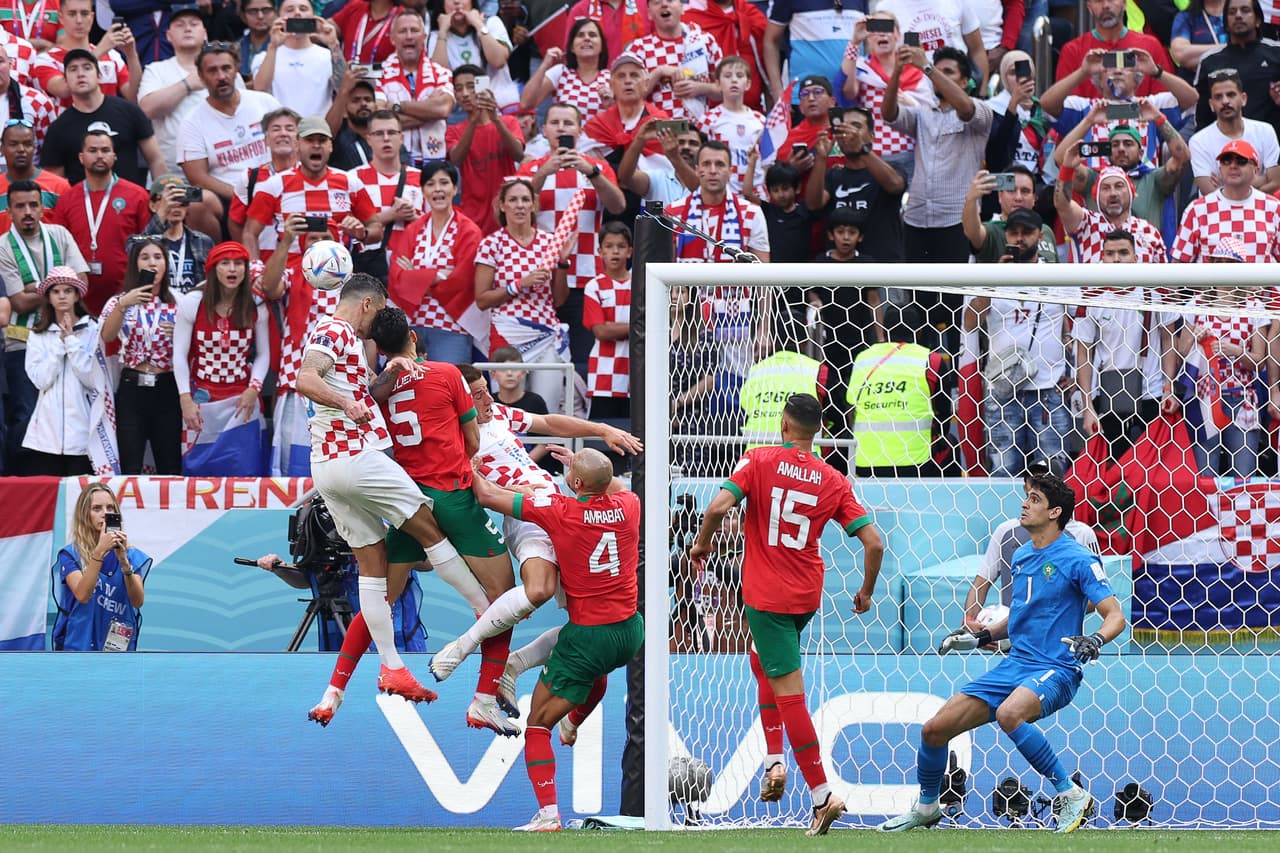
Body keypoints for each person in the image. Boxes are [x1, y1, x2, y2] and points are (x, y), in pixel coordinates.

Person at [879, 473, 1125, 835]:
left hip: (1056, 667)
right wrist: (979, 638)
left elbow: (1114, 614)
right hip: (1015, 665)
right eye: (1027, 497)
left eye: (1035, 499)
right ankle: (928, 807)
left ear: (1055, 512)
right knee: (934, 730)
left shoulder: (1078, 558)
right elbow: (1019, 619)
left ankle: (1070, 793)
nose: (1025, 504)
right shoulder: (1023, 556)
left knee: (1010, 713)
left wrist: (1096, 640)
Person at [306, 306, 510, 732]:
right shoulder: (447, 373)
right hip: (452, 497)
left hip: (405, 498)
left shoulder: (374, 390)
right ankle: (485, 696)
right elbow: (472, 440)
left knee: (379, 599)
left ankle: (333, 690)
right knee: (501, 602)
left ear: (376, 348)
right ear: (413, 337)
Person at [690, 393, 883, 835]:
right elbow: (874, 542)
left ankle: (821, 795)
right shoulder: (833, 478)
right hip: (805, 594)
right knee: (765, 661)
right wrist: (867, 592)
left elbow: (718, 506)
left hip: (767, 596)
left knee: (789, 691)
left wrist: (702, 544)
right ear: (818, 431)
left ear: (783, 425)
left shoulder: (757, 460)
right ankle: (774, 760)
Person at [293, 272, 476, 706]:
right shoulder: (334, 329)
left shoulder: (347, 344)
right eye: (376, 315)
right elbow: (306, 378)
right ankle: (485, 612)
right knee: (429, 530)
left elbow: (356, 391)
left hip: (327, 467)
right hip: (356, 457)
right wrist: (348, 403)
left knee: (373, 563)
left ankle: (392, 667)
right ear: (368, 304)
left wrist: (387, 374)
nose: (374, 330)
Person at [426, 364, 643, 693]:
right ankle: (461, 648)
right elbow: (475, 491)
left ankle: (515, 668)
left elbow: (548, 422)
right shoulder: (455, 436)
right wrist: (516, 493)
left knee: (590, 623)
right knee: (538, 590)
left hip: (556, 505)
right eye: (477, 395)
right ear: (458, 401)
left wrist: (600, 429)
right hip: (528, 515)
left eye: (486, 389)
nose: (487, 398)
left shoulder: (497, 413)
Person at [469, 447, 643, 832]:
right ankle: (574, 721)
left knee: (536, 726)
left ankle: (548, 815)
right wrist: (583, 469)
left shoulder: (562, 511)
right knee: (593, 673)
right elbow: (606, 481)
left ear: (576, 483)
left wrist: (469, 467)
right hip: (630, 631)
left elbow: (485, 495)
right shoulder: (630, 504)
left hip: (588, 637)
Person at [517, 101, 624, 374]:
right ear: (544, 130)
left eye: (567, 123)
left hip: (588, 278)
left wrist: (591, 173)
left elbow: (618, 206)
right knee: (539, 365)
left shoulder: (596, 167)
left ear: (579, 130)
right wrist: (543, 173)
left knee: (582, 362)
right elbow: (512, 211)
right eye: (555, 123)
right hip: (539, 278)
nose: (561, 128)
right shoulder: (529, 170)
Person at [1, 178, 87, 472]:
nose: (27, 211)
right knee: (25, 415)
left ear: (42, 208)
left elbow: (83, 282)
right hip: (21, 340)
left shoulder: (60, 235)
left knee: (70, 411)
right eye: (20, 206)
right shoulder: (3, 246)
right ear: (9, 211)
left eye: (33, 205)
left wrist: (33, 287)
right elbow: (18, 302)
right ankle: (22, 484)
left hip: (66, 337)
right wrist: (59, 287)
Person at [1076, 230, 1180, 462]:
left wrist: (1169, 387)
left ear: (1135, 257)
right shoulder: (1090, 298)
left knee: (1152, 471)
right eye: (1110, 253)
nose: (1116, 259)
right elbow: (1083, 352)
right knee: (1114, 471)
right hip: (1109, 395)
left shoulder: (1155, 293)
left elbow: (1168, 339)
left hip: (1152, 394)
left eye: (1123, 253)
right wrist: (1087, 407)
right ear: (1102, 258)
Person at [474, 177, 572, 416]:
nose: (519, 205)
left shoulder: (550, 242)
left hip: (547, 333)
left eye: (525, 200)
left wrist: (562, 264)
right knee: (504, 412)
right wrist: (519, 284)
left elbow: (559, 299)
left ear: (534, 205)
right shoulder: (491, 244)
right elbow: (482, 299)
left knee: (547, 412)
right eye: (513, 200)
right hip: (508, 335)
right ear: (502, 205)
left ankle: (544, 454)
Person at [962, 463, 1101, 629]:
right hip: (1010, 639)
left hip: (1058, 638)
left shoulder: (1081, 534)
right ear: (1025, 487)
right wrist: (969, 623)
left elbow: (1098, 597)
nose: (1038, 483)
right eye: (1032, 479)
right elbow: (980, 585)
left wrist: (1051, 613)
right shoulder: (1006, 532)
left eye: (1044, 478)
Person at [173, 242, 270, 476]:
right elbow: (179, 355)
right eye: (225, 263)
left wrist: (253, 389)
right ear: (213, 269)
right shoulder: (193, 302)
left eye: (238, 264)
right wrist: (185, 398)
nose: (232, 269)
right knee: (198, 470)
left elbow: (264, 354)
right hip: (201, 399)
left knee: (245, 469)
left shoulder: (255, 303)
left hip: (241, 399)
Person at [1180, 239, 1269, 479]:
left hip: (1243, 398)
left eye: (1230, 263)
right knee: (1205, 477)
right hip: (1203, 399)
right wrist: (1193, 338)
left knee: (1243, 477)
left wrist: (1236, 351)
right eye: (1219, 262)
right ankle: (1207, 518)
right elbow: (1180, 352)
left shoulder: (1254, 307)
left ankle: (1241, 518)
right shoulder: (1196, 304)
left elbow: (1260, 361)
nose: (1224, 267)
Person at [968, 280, 1077, 478]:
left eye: (1024, 244)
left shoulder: (1054, 277)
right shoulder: (992, 279)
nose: (1019, 245)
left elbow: (1082, 321)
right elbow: (969, 325)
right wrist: (993, 282)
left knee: (1052, 476)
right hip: (1002, 395)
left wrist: (1075, 372)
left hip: (1049, 391)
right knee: (1003, 472)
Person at [242, 115, 380, 261]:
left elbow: (376, 228)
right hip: (291, 277)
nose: (316, 145)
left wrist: (362, 233)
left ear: (331, 146)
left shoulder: (350, 183)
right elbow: (249, 233)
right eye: (309, 140)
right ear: (296, 145)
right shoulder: (274, 185)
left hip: (337, 275)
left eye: (322, 140)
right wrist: (255, 270)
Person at [387, 160, 483, 365]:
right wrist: (439, 275)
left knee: (450, 391)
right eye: (430, 184)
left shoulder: (469, 231)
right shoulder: (414, 229)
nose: (437, 189)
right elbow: (397, 277)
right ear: (422, 190)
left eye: (444, 183)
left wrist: (416, 276)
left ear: (455, 188)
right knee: (412, 392)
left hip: (452, 327)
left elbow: (463, 281)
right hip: (412, 326)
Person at [98, 236, 180, 474]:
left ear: (166, 264)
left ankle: (170, 510)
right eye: (145, 257)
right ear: (135, 264)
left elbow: (192, 346)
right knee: (130, 462)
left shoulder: (178, 301)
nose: (152, 263)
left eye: (158, 257)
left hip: (167, 385)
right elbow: (107, 336)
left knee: (170, 462)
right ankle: (126, 511)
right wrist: (124, 304)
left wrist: (180, 333)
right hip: (132, 385)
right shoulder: (119, 300)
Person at [49, 127, 152, 315]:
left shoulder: (137, 196)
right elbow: (58, 248)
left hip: (126, 296)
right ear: (81, 157)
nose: (99, 156)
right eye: (92, 150)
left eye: (105, 150)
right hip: (79, 301)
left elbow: (148, 246)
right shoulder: (67, 199)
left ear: (114, 156)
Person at [23, 265, 113, 475]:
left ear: (76, 296)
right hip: (45, 437)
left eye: (67, 291)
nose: (62, 296)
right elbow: (41, 380)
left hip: (84, 433)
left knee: (80, 495)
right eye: (56, 291)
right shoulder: (37, 335)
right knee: (49, 496)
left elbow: (91, 378)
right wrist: (58, 345)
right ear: (49, 297)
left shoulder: (92, 329)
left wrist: (71, 341)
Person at [177, 41, 282, 208]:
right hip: (228, 198)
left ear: (236, 69)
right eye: (212, 71)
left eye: (226, 68)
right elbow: (198, 178)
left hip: (275, 188)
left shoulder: (264, 102)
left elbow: (293, 145)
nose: (221, 76)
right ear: (201, 76)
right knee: (196, 201)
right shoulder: (191, 122)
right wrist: (244, 196)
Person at [39, 50, 165, 187]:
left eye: (87, 68)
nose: (80, 74)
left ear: (99, 76)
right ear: (66, 81)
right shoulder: (58, 128)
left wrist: (163, 195)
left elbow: (155, 159)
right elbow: (55, 182)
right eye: (73, 69)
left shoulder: (129, 111)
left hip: (131, 203)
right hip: (83, 205)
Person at [845, 318, 951, 476]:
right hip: (916, 463)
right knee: (950, 444)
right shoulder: (931, 360)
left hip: (864, 462)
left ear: (884, 332)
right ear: (919, 332)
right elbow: (944, 415)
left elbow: (850, 408)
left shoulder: (863, 358)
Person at [51, 482, 149, 651]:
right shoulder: (71, 554)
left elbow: (138, 601)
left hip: (117, 649)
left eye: (110, 508)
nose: (105, 514)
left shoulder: (131, 555)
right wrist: (99, 553)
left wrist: (124, 561)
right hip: (79, 646)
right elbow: (83, 595)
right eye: (97, 509)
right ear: (84, 515)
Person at [842, 10, 934, 182]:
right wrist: (854, 41)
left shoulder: (917, 70)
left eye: (887, 28)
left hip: (912, 157)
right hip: (873, 158)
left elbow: (931, 115)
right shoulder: (862, 69)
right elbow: (848, 90)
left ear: (898, 35)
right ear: (868, 38)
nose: (882, 33)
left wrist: (911, 103)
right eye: (875, 29)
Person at [805, 106, 906, 262]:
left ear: (871, 136)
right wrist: (821, 158)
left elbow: (895, 185)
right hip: (841, 273)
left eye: (856, 127)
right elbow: (813, 204)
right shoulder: (832, 175)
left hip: (884, 271)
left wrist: (862, 149)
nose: (850, 133)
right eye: (844, 128)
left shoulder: (890, 169)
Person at [1171, 139, 1280, 263]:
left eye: (1241, 161)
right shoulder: (1197, 209)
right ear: (1220, 169)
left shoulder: (1274, 207)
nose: (1233, 166)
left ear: (1256, 169)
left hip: (1262, 283)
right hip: (1211, 283)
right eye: (1226, 161)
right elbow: (1179, 264)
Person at [446, 63, 525, 235]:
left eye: (471, 86)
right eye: (459, 89)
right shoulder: (454, 131)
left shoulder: (509, 122)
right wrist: (473, 121)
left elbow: (518, 154)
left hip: (506, 214)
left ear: (484, 89)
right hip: (472, 216)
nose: (465, 94)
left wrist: (495, 118)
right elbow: (456, 159)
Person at [348, 108, 423, 278]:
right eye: (379, 133)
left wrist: (413, 218)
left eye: (392, 132)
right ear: (368, 139)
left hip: (410, 267)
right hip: (370, 269)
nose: (386, 138)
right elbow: (348, 228)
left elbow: (436, 228)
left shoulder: (421, 178)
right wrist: (391, 215)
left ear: (402, 137)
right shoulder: (353, 178)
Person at [376, 10, 455, 166]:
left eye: (414, 30)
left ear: (424, 37)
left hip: (435, 166)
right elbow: (380, 120)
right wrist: (429, 113)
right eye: (403, 31)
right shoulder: (378, 74)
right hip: (396, 163)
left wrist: (397, 107)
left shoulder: (441, 72)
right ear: (392, 39)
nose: (409, 36)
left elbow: (443, 110)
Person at [1053, 0, 1175, 100]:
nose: (1106, 5)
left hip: (1143, 126)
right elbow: (1064, 110)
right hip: (1090, 127)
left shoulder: (1150, 47)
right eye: (1098, 1)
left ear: (1125, 3)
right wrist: (1083, 72)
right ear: (1089, 7)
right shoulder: (1072, 50)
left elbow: (1166, 105)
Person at [1055, 159, 1167, 265]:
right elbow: (1062, 204)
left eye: (1119, 186)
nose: (1113, 193)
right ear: (1096, 196)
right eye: (1106, 188)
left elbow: (1164, 280)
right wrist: (1067, 167)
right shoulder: (1085, 222)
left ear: (1131, 193)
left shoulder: (1149, 231)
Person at [628, 0, 722, 123]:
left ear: (682, 8)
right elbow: (628, 96)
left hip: (697, 132)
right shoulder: (639, 48)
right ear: (649, 14)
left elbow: (724, 90)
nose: (664, 4)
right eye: (657, 2)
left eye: (670, 0)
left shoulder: (704, 41)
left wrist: (700, 88)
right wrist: (658, 73)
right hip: (658, 131)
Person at [33, 0, 140, 106]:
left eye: (84, 14)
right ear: (61, 18)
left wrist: (131, 55)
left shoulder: (112, 55)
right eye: (72, 14)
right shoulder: (46, 60)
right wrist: (100, 50)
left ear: (92, 17)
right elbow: (62, 90)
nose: (79, 20)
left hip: (109, 121)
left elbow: (133, 96)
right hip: (70, 122)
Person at [1189, 70, 1280, 195]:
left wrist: (1226, 184)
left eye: (1231, 95)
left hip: (1261, 210)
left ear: (1243, 99)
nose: (1225, 101)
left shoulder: (1265, 131)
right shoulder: (1198, 141)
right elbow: (1209, 192)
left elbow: (1275, 182)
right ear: (1211, 104)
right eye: (1218, 97)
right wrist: (1259, 180)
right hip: (1217, 213)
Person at [1194, 0, 1280, 130]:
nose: (1238, 16)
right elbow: (1202, 117)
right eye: (1232, 12)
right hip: (1224, 144)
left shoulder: (1276, 53)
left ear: (1258, 20)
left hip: (1272, 142)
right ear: (1226, 24)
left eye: (1245, 10)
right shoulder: (1209, 61)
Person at [762, 0, 859, 110]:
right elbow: (770, 42)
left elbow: (868, 39)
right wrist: (778, 94)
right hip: (805, 99)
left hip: (851, 97)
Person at [251, 0, 340, 120]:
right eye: (289, 10)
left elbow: (343, 89)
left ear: (314, 15)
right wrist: (273, 46)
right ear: (279, 17)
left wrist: (334, 45)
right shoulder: (264, 57)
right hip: (280, 132)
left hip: (316, 133)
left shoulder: (328, 55)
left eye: (303, 9)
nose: (297, 13)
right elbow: (260, 90)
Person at [428, 0, 518, 112]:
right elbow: (438, 76)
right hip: (461, 111)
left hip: (500, 105)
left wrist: (478, 24)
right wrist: (443, 31)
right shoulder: (436, 36)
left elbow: (498, 61)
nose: (457, 2)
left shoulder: (492, 23)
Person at [228, 107, 299, 246]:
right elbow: (235, 223)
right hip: (262, 263)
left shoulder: (310, 176)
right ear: (266, 140)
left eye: (289, 129)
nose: (283, 133)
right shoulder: (249, 178)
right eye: (276, 129)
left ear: (300, 139)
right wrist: (250, 258)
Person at [519, 18, 612, 122]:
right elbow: (526, 104)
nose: (587, 38)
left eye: (592, 35)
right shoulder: (560, 72)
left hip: (599, 138)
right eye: (580, 35)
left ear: (602, 46)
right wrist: (544, 65)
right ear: (571, 47)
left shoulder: (612, 77)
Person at [696, 56, 765, 195]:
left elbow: (768, 160)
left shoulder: (760, 120)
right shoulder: (708, 120)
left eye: (739, 76)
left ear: (748, 84)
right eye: (727, 76)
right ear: (718, 84)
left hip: (756, 193)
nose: (734, 80)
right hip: (724, 193)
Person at [877, 0, 989, 85]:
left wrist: (982, 94)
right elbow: (881, 56)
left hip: (959, 90)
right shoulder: (885, 8)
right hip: (915, 94)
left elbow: (977, 49)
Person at [684, 0, 768, 112]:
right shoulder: (688, 18)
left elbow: (768, 68)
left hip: (753, 115)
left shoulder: (752, 15)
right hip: (707, 117)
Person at [962, 167, 1057, 263]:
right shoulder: (991, 232)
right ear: (1000, 196)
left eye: (1025, 191)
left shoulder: (1046, 230)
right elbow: (972, 231)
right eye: (1011, 191)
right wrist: (971, 198)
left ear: (1034, 198)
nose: (1018, 197)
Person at [138, 174, 214, 294]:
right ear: (152, 205)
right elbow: (136, 248)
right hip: (159, 307)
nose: (175, 206)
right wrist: (163, 211)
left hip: (193, 307)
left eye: (181, 200)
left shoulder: (203, 241)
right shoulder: (142, 240)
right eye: (168, 200)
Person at [742, 159, 818, 264]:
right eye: (775, 190)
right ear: (769, 192)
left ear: (797, 188)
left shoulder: (806, 211)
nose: (781, 194)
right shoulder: (768, 211)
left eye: (785, 188)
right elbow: (747, 193)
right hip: (774, 274)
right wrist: (752, 163)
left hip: (801, 274)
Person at [0, 118, 67, 233]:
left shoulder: (59, 187)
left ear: (34, 148)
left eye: (27, 144)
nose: (21, 149)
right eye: (13, 144)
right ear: (2, 149)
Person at [0, 50, 54, 173]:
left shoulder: (37, 102)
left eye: (0, 61)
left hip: (26, 182)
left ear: (11, 64)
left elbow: (51, 155)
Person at [565, 0, 648, 59]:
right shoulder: (580, 10)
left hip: (639, 79)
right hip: (596, 81)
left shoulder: (647, 5)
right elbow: (570, 53)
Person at [1171, 0, 1229, 81]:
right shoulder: (1186, 18)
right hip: (1199, 85)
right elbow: (1181, 53)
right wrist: (1229, 49)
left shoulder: (1239, 13)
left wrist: (1200, 57)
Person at [330, 0, 397, 67]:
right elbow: (328, 28)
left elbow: (400, 67)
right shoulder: (357, 5)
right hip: (346, 74)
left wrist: (363, 73)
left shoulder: (401, 18)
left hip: (381, 75)